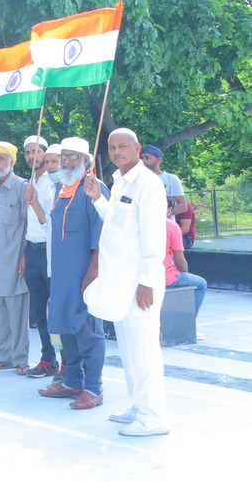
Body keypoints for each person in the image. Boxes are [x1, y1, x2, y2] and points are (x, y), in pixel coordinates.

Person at [84, 128, 169, 436]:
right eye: (112, 147)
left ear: (137, 148)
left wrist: (146, 281)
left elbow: (154, 236)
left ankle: (153, 417)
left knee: (144, 349)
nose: (117, 151)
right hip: (120, 280)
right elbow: (116, 223)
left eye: (123, 146)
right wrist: (97, 197)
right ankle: (138, 406)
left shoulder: (148, 183)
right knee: (130, 349)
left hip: (140, 283)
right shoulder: (120, 181)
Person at [38, 138, 108, 410]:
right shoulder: (61, 189)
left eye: (74, 157)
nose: (67, 162)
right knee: (65, 327)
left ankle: (93, 388)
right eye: (64, 157)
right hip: (60, 275)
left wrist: (93, 273)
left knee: (88, 331)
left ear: (86, 160)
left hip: (84, 275)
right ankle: (72, 381)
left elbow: (101, 237)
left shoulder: (94, 189)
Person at [0, 141, 30, 373]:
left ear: (12, 161)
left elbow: (31, 225)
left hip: (16, 258)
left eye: (2, 158)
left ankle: (21, 359)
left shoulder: (23, 187)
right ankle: (3, 356)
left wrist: (25, 256)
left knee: (17, 310)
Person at [22, 135, 59, 378]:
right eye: (27, 152)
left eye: (36, 151)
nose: (31, 156)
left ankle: (66, 363)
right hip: (32, 250)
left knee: (54, 309)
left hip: (49, 251)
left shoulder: (53, 182)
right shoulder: (31, 181)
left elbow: (50, 222)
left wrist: (35, 203)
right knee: (39, 309)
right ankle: (48, 359)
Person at [163, 197, 207, 320]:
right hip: (165, 277)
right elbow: (181, 263)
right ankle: (189, 322)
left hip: (140, 276)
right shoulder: (171, 226)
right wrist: (184, 274)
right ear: (169, 210)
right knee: (201, 284)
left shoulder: (137, 223)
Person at [140, 144, 188, 216]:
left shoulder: (171, 179)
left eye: (147, 158)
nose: (143, 161)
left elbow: (183, 206)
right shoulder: (138, 179)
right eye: (142, 158)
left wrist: (163, 214)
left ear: (159, 160)